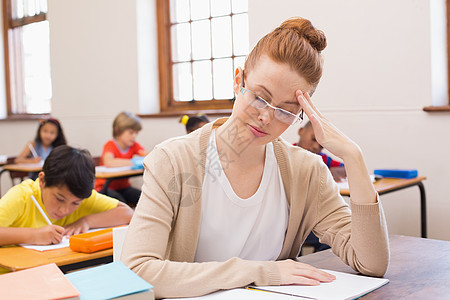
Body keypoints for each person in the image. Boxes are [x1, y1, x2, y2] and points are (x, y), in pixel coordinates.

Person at [122, 17, 389, 299]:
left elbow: (370, 263)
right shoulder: (174, 160)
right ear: (239, 80)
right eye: (260, 97)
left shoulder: (305, 171)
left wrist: (353, 156)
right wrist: (259, 271)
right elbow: (138, 271)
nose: (266, 117)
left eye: (285, 110)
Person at [0, 145, 133, 246]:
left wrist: (86, 221)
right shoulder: (22, 196)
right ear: (42, 181)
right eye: (59, 199)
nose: (64, 210)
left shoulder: (80, 195)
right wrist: (32, 235)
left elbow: (127, 214)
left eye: (75, 203)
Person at [295, 121, 347, 253]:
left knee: (333, 239)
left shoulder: (321, 159)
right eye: (313, 139)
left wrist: (332, 171)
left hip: (314, 217)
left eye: (321, 145)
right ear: (301, 131)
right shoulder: (288, 154)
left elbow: (345, 168)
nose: (315, 147)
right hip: (295, 219)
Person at [95, 111, 148, 206]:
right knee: (121, 204)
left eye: (136, 133)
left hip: (124, 187)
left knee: (144, 200)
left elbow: (147, 156)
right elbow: (109, 162)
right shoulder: (110, 145)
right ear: (118, 131)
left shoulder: (134, 146)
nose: (134, 136)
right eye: (131, 132)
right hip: (105, 187)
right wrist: (134, 162)